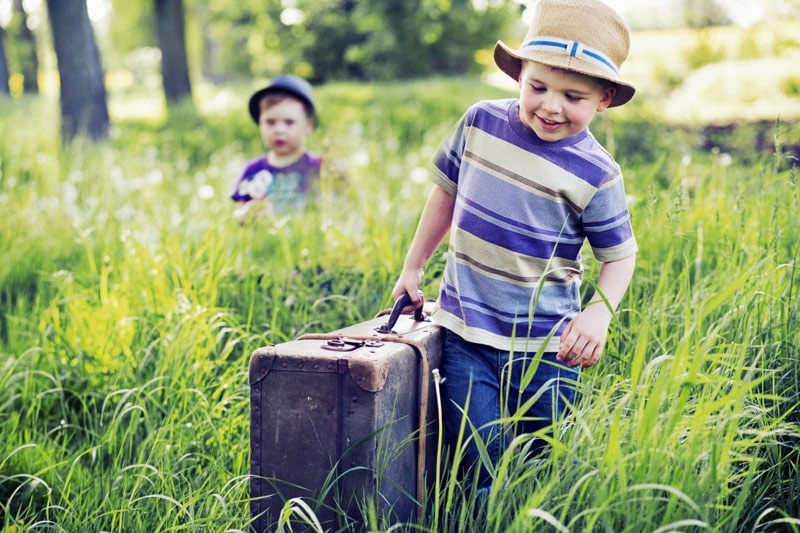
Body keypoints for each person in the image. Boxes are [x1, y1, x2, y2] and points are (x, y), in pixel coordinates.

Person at [391, 0, 638, 490]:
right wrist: (413, 267)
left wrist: (598, 314)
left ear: (604, 99)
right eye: (538, 86)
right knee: (480, 465)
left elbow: (620, 254)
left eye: (573, 96)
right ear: (519, 74)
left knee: (544, 465)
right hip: (467, 335)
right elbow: (445, 194)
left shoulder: (597, 172)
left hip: (548, 346)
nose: (550, 106)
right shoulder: (480, 123)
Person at [232, 74, 321, 225]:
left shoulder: (318, 166)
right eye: (270, 122)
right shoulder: (253, 170)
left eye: (289, 122)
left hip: (307, 242)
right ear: (260, 123)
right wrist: (246, 214)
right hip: (265, 244)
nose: (279, 130)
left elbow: (340, 208)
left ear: (309, 125)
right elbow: (239, 214)